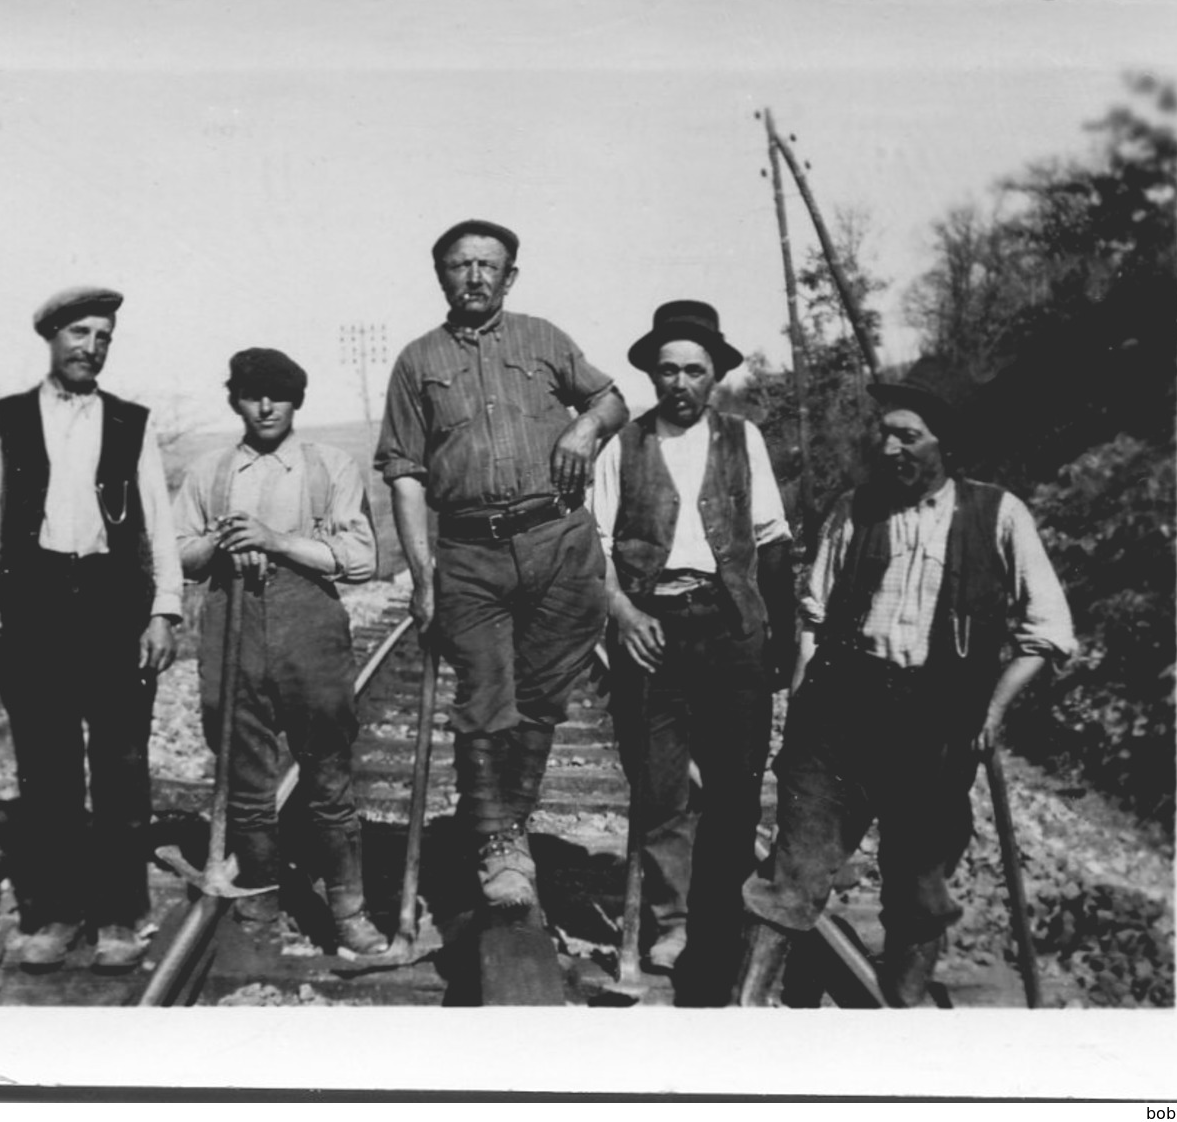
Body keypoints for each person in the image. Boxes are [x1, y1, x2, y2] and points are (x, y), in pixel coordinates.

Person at [733, 356, 1076, 1006]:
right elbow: (811, 613)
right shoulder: (852, 511)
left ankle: (899, 1017)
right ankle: (739, 1014)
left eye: (908, 436)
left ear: (945, 444)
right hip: (839, 724)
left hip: (936, 731)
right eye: (884, 433)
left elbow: (1049, 629)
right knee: (794, 875)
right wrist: (804, 699)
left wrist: (995, 708)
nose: (889, 447)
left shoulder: (998, 516)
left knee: (920, 891)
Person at [374, 219, 629, 909]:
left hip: (558, 545)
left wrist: (584, 426)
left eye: (490, 265)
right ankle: (498, 846)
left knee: (542, 699)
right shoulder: (415, 362)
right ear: (442, 276)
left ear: (510, 276)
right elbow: (404, 472)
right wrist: (424, 578)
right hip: (470, 553)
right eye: (461, 266)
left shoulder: (545, 339)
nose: (476, 277)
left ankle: (501, 825)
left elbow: (612, 398)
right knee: (485, 698)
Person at [0, 285, 183, 972]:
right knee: (47, 771)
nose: (92, 347)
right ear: (51, 337)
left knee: (119, 768)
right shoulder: (8, 419)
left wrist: (163, 610)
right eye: (80, 333)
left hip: (113, 606)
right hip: (34, 611)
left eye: (104, 336)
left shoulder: (131, 422)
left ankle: (119, 916)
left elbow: (159, 523)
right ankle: (54, 914)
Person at [590, 300, 796, 980]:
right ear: (653, 374)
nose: (680, 383)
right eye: (668, 370)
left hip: (730, 626)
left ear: (716, 377)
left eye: (695, 371)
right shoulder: (622, 446)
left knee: (736, 790)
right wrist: (622, 615)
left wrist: (778, 637)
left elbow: (770, 541)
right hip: (653, 629)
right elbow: (594, 547)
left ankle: (721, 922)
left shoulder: (744, 440)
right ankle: (675, 923)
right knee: (659, 788)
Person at [173, 348, 388, 955]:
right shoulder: (209, 473)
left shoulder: (330, 467)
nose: (265, 407)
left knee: (325, 764)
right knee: (241, 762)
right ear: (233, 400)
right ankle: (260, 904)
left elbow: (362, 559)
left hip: (308, 620)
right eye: (250, 394)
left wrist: (276, 541)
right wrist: (221, 543)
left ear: (298, 400)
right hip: (230, 618)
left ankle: (348, 909)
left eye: (278, 394)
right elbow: (175, 554)